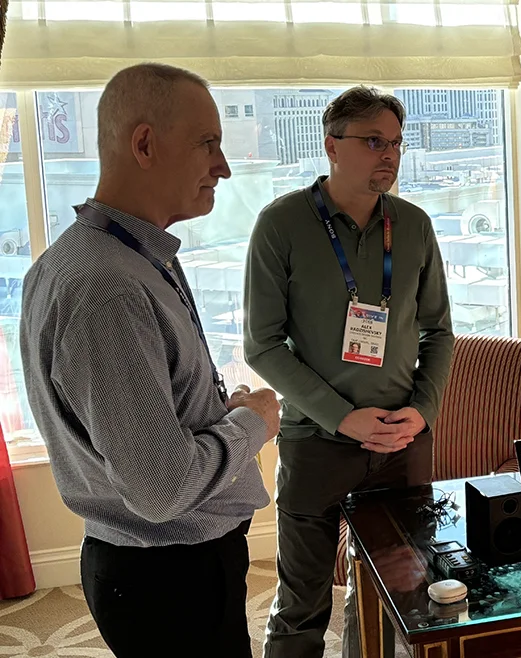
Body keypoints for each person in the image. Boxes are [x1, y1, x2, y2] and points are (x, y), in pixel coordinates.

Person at [19, 63, 281, 658]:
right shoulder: (106, 288)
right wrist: (254, 422)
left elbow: (144, 425)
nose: (224, 166)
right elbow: (161, 487)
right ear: (144, 144)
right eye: (207, 143)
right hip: (170, 578)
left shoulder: (122, 256)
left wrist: (219, 411)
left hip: (169, 566)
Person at [245, 85, 454, 658]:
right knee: (302, 603)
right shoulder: (281, 224)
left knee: (399, 594)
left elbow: (438, 332)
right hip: (316, 441)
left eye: (397, 143)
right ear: (332, 146)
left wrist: (422, 411)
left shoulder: (413, 225)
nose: (390, 155)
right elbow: (262, 346)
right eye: (374, 142)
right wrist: (342, 418)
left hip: (401, 443)